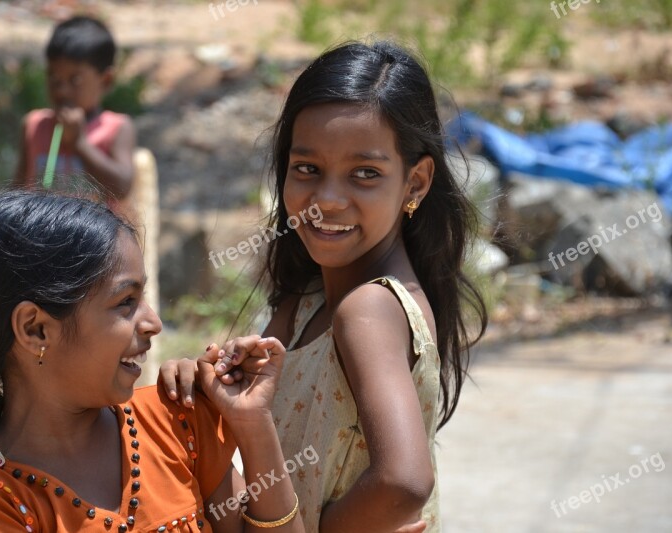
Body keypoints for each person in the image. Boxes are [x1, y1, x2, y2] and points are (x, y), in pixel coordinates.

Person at [159, 40, 488, 532]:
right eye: (308, 169)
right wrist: (202, 393)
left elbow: (403, 482)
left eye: (365, 174)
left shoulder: (368, 311)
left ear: (415, 184)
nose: (327, 200)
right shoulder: (308, 301)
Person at [0, 190, 303, 533]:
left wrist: (253, 425)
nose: (154, 323)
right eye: (125, 302)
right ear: (36, 329)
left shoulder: (176, 423)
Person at [12, 16, 136, 213]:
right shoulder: (34, 125)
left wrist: (80, 144)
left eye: (75, 80)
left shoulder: (117, 128)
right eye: (53, 78)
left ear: (105, 80)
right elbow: (17, 189)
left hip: (93, 242)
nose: (62, 90)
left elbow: (122, 188)